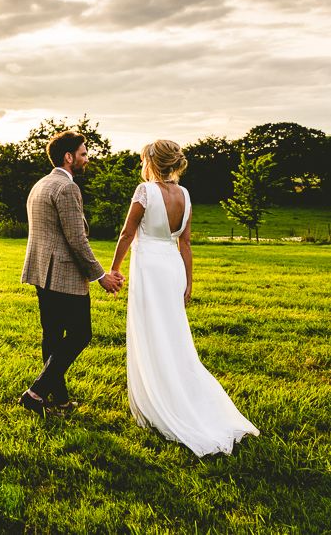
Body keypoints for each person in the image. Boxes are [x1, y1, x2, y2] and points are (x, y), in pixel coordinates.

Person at [110, 139, 259, 456]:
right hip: (173, 268)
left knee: (152, 334)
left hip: (149, 268)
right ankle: (179, 392)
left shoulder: (145, 192)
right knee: (174, 335)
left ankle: (160, 403)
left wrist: (114, 269)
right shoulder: (185, 195)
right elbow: (186, 244)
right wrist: (189, 282)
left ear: (150, 162)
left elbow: (127, 233)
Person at [19, 131, 124, 417]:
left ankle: (59, 402)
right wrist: (101, 276)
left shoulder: (41, 185)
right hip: (64, 275)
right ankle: (36, 392)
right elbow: (77, 239)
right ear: (69, 157)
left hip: (41, 272)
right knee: (80, 334)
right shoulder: (67, 188)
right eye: (83, 154)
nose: (86, 159)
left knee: (53, 337)